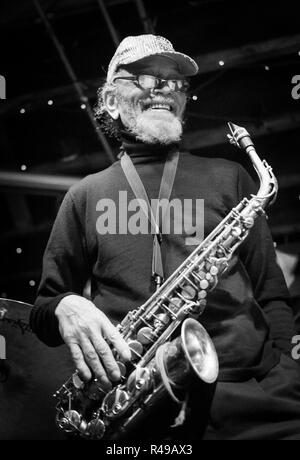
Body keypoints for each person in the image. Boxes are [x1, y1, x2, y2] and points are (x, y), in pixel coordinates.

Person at [30, 34, 300, 440]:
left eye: (173, 81)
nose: (163, 90)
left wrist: (288, 376)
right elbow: (43, 310)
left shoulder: (230, 176)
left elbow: (273, 294)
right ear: (110, 101)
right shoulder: (84, 195)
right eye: (144, 78)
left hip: (254, 396)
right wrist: (64, 306)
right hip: (142, 407)